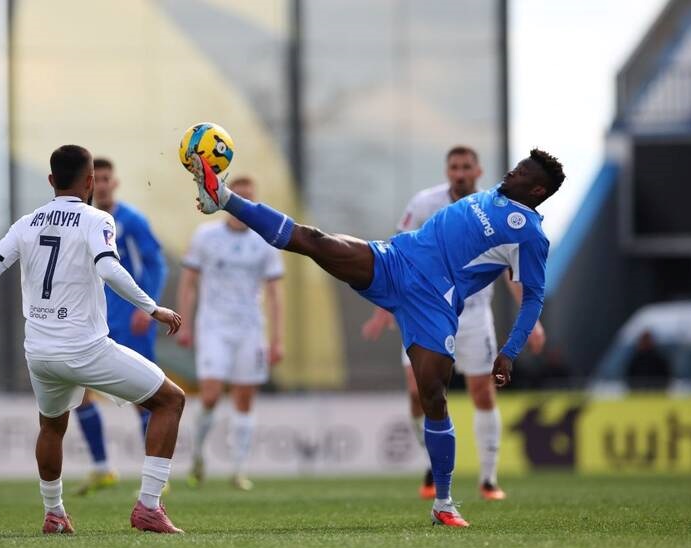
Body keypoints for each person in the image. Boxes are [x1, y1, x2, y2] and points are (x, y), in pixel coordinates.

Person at [187, 148, 564, 527]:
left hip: (433, 303)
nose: (510, 174)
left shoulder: (531, 236)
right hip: (394, 261)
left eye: (521, 173)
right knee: (316, 241)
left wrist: (510, 350)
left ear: (536, 191)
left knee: (433, 396)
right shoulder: (490, 194)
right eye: (515, 167)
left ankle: (444, 502)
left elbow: (533, 297)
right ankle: (224, 198)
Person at [0, 145, 185, 534]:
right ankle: (148, 506)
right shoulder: (97, 219)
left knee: (51, 427)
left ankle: (55, 513)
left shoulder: (26, 223)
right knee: (170, 401)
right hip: (86, 349)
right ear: (90, 181)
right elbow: (109, 269)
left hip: (40, 353)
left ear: (51, 180)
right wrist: (153, 308)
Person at [361, 146, 546, 501]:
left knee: (482, 391)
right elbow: (397, 253)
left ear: (478, 171)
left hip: (473, 314)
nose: (459, 173)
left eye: (466, 167)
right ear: (447, 171)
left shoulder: (494, 208)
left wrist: (531, 321)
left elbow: (512, 270)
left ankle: (488, 479)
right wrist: (384, 308)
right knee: (417, 393)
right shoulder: (424, 203)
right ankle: (434, 464)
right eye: (454, 167)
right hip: (423, 310)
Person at [177, 175, 285, 490]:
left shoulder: (265, 240)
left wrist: (277, 339)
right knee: (210, 394)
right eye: (236, 196)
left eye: (248, 197)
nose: (241, 203)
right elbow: (188, 282)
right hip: (213, 326)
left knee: (244, 398)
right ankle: (198, 455)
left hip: (250, 328)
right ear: (224, 199)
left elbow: (275, 293)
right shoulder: (206, 235)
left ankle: (238, 470)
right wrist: (185, 323)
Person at [73, 157, 168, 496]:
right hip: (93, 321)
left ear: (114, 183)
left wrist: (148, 306)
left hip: (131, 320)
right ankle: (102, 468)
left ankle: (156, 476)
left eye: (106, 179)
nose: (101, 185)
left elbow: (157, 265)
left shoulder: (131, 221)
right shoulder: (83, 221)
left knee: (146, 396)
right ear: (88, 184)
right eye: (95, 179)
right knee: (78, 393)